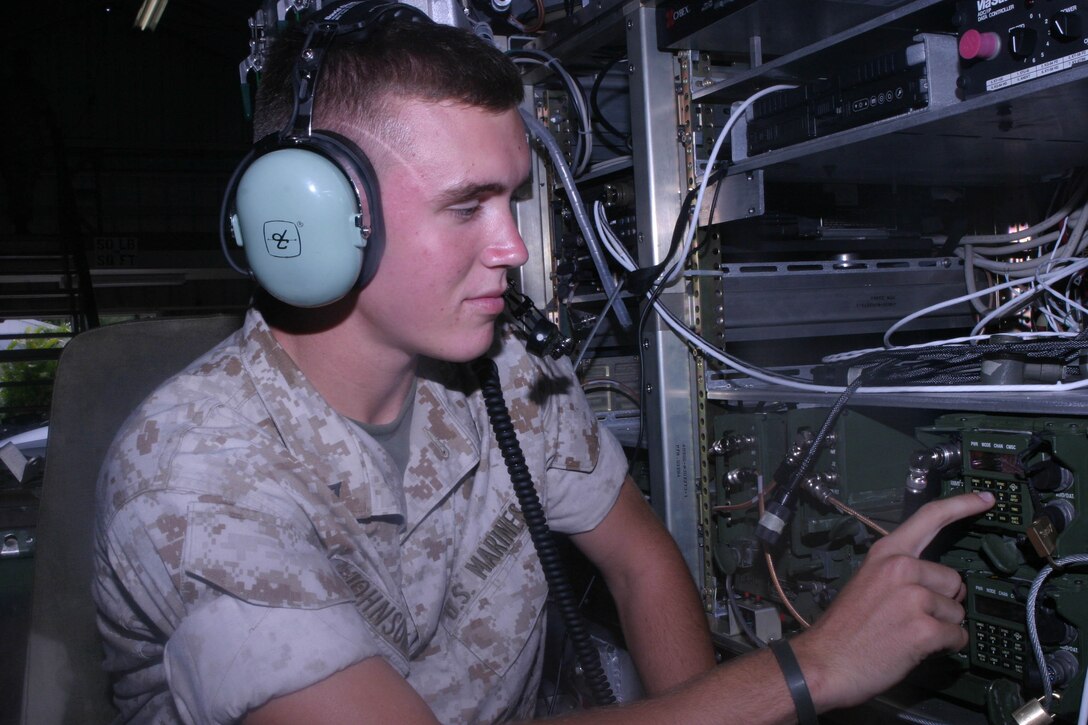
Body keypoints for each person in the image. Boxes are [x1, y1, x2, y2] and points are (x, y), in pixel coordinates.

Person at [92, 3, 995, 723]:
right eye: (466, 205)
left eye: (513, 199)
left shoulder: (505, 371)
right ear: (312, 223)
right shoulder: (188, 472)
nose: (513, 248)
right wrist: (811, 669)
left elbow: (641, 562)